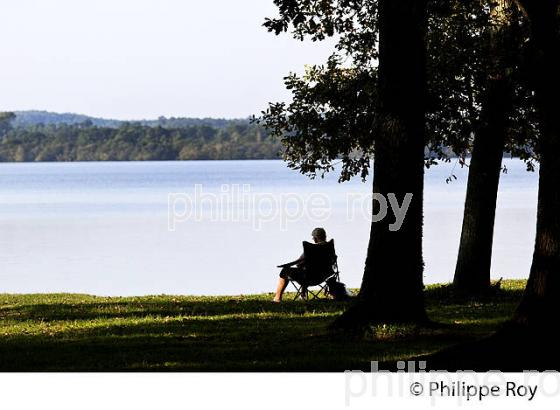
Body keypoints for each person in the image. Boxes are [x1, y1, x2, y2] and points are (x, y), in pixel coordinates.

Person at [273, 227, 328, 302]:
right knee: (306, 270)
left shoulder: (311, 249)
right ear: (325, 236)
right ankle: (303, 295)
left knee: (285, 271)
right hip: (323, 276)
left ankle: (277, 298)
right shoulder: (329, 247)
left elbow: (299, 263)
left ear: (315, 238)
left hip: (309, 277)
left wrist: (287, 265)